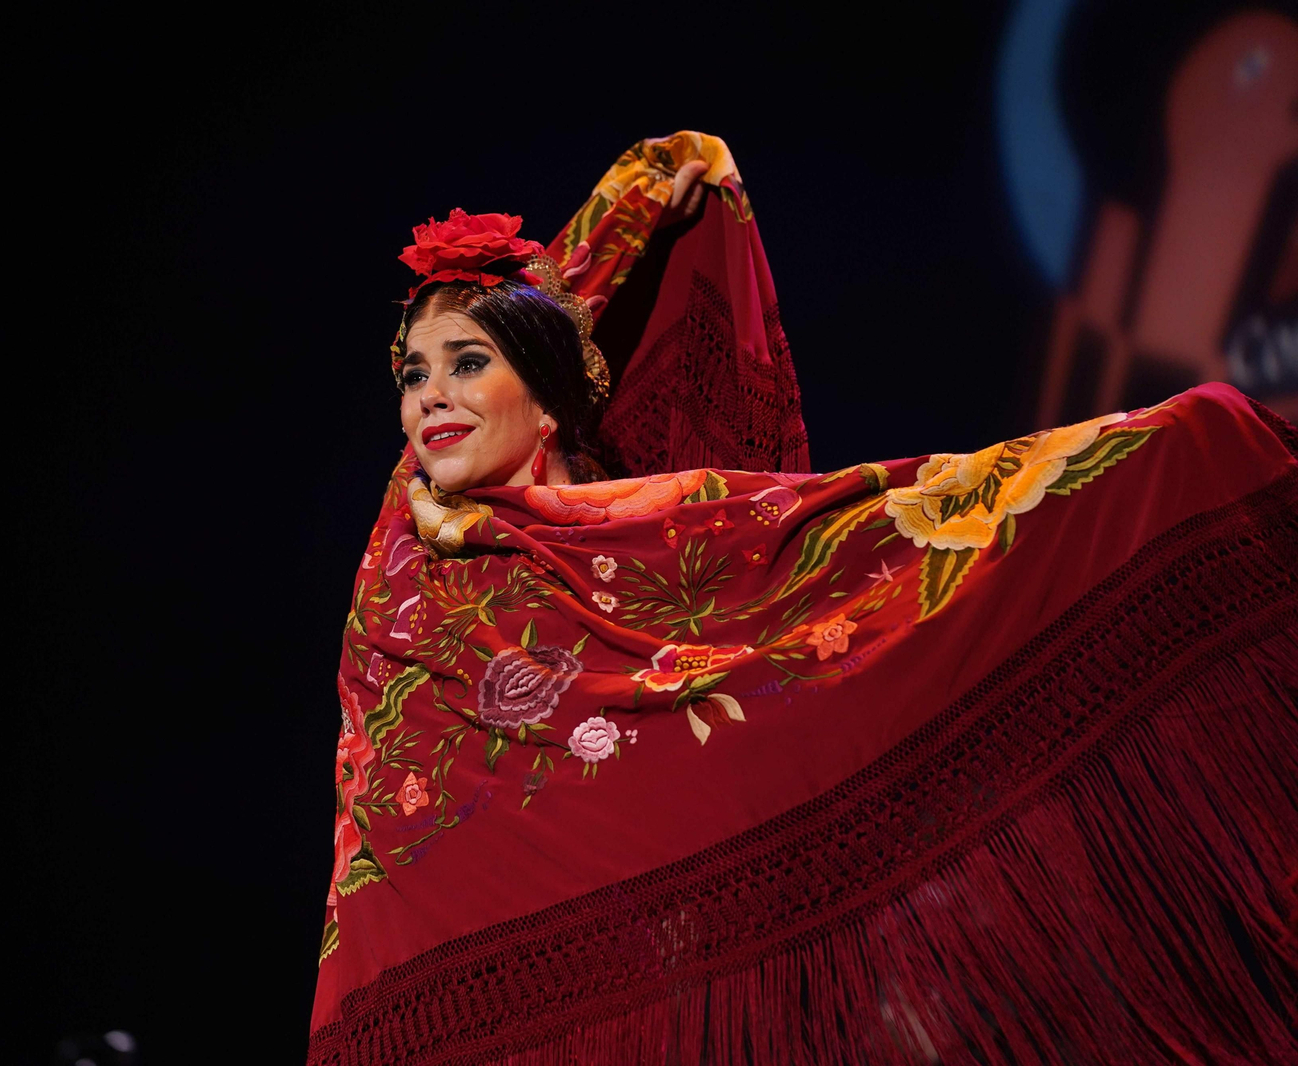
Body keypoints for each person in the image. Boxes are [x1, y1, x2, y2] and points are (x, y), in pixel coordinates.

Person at [311, 132, 1298, 1066]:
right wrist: (636, 194)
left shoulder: (670, 524)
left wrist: (658, 176)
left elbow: (909, 520)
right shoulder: (410, 554)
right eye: (412, 374)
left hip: (668, 965)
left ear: (551, 391)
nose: (430, 394)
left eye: (468, 363)